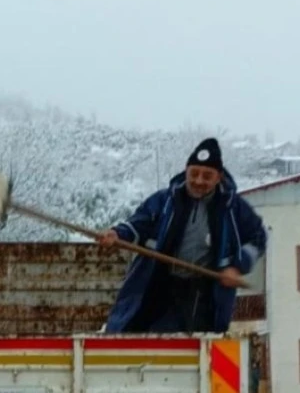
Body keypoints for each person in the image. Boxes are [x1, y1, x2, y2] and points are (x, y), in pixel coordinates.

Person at [99, 137, 266, 334]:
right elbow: (139, 223)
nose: (198, 181)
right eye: (194, 174)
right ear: (185, 171)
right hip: (160, 283)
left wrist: (237, 266)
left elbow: (258, 238)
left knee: (194, 341)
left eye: (207, 176)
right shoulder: (165, 200)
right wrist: (118, 234)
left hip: (203, 292)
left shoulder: (233, 208)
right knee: (142, 331)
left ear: (219, 177)